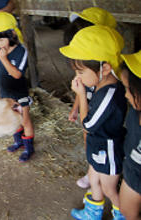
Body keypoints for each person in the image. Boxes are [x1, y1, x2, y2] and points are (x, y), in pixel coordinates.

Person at [59, 25, 127, 220]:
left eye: (80, 72)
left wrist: (80, 94)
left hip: (109, 150)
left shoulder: (110, 94)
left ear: (104, 68)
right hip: (98, 146)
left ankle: (123, 214)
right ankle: (93, 213)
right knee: (94, 179)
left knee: (109, 188)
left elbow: (88, 125)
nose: (77, 78)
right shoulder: (99, 84)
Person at [64, 7, 118, 189]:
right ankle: (92, 168)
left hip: (100, 126)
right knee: (88, 138)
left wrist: (80, 97)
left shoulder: (103, 77)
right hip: (89, 110)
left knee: (91, 133)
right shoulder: (90, 71)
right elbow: (83, 87)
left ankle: (94, 171)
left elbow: (88, 123)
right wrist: (75, 107)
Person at [0, 12, 35, 162]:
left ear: (12, 34)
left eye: (1, 39)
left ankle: (29, 148)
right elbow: (1, 74)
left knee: (25, 120)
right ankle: (18, 142)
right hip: (7, 93)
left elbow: (17, 75)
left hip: (20, 94)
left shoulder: (21, 51)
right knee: (13, 119)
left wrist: (4, 58)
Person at [119, 50, 141, 220]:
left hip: (137, 174)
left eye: (127, 89)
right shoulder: (134, 112)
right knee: (127, 211)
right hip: (132, 171)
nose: (125, 94)